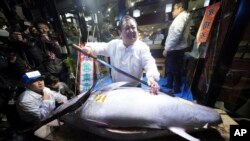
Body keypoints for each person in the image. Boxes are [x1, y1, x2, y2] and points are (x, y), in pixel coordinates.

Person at [74, 15, 160, 94]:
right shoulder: (114, 45)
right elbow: (100, 46)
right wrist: (89, 48)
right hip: (116, 88)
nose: (131, 31)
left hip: (135, 88)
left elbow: (149, 63)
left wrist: (152, 78)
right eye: (127, 28)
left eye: (133, 28)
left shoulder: (142, 47)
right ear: (120, 32)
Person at [162, 1, 190, 94]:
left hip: (175, 49)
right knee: (170, 68)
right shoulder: (182, 17)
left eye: (174, 9)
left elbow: (175, 35)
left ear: (180, 8)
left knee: (175, 69)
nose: (172, 12)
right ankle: (169, 84)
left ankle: (176, 88)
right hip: (175, 48)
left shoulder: (181, 18)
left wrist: (167, 48)